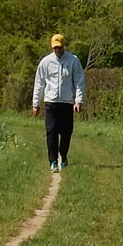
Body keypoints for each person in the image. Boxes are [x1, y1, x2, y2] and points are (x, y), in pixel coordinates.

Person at [31, 34, 85, 173]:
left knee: (66, 132)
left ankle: (64, 156)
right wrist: (35, 103)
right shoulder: (45, 62)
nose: (57, 50)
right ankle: (53, 161)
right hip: (51, 102)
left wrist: (78, 101)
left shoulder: (73, 61)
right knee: (51, 131)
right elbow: (39, 83)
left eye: (59, 47)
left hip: (67, 102)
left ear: (63, 46)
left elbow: (79, 82)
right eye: (55, 47)